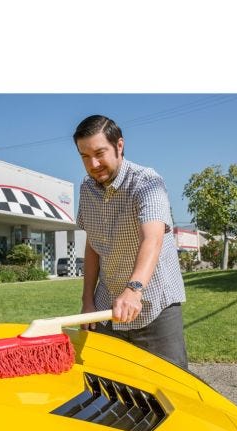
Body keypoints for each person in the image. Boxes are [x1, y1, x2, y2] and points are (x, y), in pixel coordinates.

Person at [74, 114, 189, 369]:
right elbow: (93, 245)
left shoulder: (147, 182)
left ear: (119, 146)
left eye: (100, 153)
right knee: (106, 385)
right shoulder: (86, 189)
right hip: (106, 307)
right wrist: (87, 300)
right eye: (84, 156)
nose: (93, 164)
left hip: (154, 304)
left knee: (171, 388)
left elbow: (153, 238)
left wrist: (133, 289)